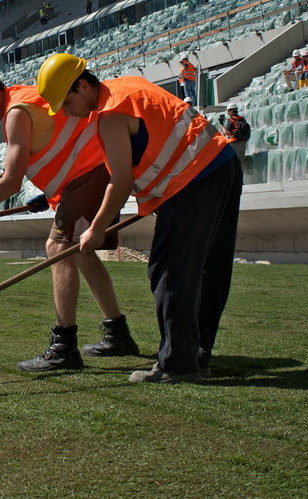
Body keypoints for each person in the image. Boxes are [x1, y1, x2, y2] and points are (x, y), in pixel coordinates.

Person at [37, 52, 242, 384]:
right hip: (222, 163)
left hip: (192, 179)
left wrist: (97, 228)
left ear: (83, 86)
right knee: (208, 270)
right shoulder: (127, 86)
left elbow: (121, 181)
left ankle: (177, 365)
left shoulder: (109, 114)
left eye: (66, 101)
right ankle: (196, 356)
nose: (67, 112)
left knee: (169, 272)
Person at [0, 65, 140, 372]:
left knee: (57, 247)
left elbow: (11, 181)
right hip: (92, 170)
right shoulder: (24, 98)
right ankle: (117, 334)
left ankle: (63, 346)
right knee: (79, 252)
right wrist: (48, 191)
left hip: (88, 173)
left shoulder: (16, 111)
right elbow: (52, 144)